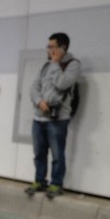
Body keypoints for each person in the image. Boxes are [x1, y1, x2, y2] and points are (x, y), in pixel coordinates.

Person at [27, 32, 80, 199]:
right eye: (48, 46)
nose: (48, 50)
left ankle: (56, 184)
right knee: (39, 153)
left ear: (62, 48)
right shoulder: (45, 66)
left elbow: (62, 83)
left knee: (57, 154)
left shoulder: (73, 65)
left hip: (57, 120)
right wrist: (38, 101)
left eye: (52, 47)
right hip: (39, 117)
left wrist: (56, 64)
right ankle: (39, 181)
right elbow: (34, 87)